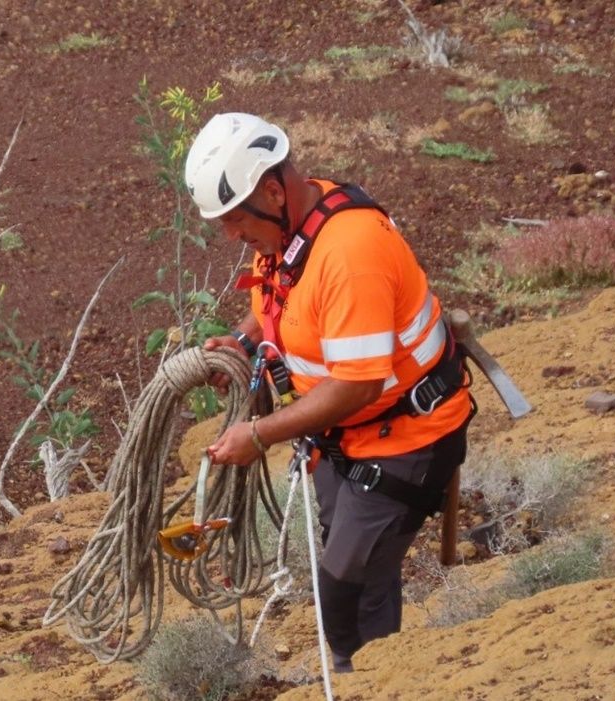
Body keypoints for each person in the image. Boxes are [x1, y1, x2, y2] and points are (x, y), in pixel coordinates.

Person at [186, 112, 474, 672]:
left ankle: (364, 679)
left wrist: (261, 434)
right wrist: (246, 341)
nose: (228, 234)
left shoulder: (349, 253)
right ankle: (367, 667)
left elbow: (358, 383)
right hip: (344, 437)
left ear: (272, 189)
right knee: (351, 565)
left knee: (347, 587)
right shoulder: (289, 228)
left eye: (233, 219)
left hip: (407, 438)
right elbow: (279, 302)